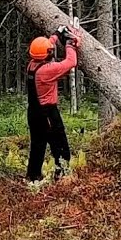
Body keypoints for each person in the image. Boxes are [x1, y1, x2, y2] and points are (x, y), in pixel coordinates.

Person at [26, 25, 83, 183]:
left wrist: (57, 34)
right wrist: (70, 45)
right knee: (60, 145)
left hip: (33, 113)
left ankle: (33, 177)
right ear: (47, 54)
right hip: (47, 113)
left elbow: (46, 46)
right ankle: (62, 176)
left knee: (37, 146)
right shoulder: (47, 71)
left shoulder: (32, 65)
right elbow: (71, 62)